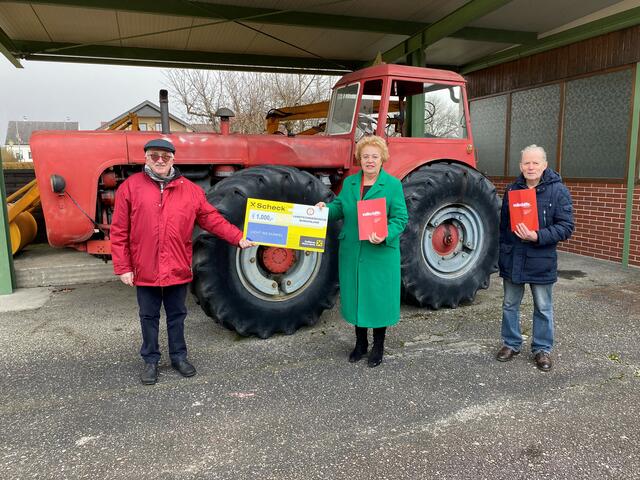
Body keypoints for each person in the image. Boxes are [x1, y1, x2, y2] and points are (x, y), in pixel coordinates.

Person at [111, 138, 254, 385]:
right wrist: (123, 267)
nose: (159, 161)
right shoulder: (130, 188)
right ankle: (151, 360)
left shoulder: (191, 190)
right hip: (145, 268)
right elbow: (119, 230)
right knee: (148, 316)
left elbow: (212, 220)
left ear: (173, 160)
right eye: (154, 156)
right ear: (145, 157)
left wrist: (238, 237)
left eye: (165, 157)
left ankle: (179, 356)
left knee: (177, 315)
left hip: (176, 267)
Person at [316, 135, 408, 367]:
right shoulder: (350, 183)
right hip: (353, 251)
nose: (369, 161)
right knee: (357, 296)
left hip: (380, 253)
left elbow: (401, 218)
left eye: (374, 157)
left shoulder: (393, 185)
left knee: (377, 299)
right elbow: (338, 208)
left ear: (382, 159)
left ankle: (378, 346)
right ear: (360, 159)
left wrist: (386, 232)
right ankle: (360, 344)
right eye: (365, 156)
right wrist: (322, 209)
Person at [496, 144, 574, 371]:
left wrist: (537, 236)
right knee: (510, 304)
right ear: (521, 166)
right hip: (514, 258)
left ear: (544, 165)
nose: (531, 167)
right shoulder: (512, 191)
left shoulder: (558, 191)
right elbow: (503, 229)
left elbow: (566, 227)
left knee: (543, 307)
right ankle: (511, 343)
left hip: (541, 259)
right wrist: (503, 253)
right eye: (527, 163)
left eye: (535, 163)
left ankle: (542, 349)